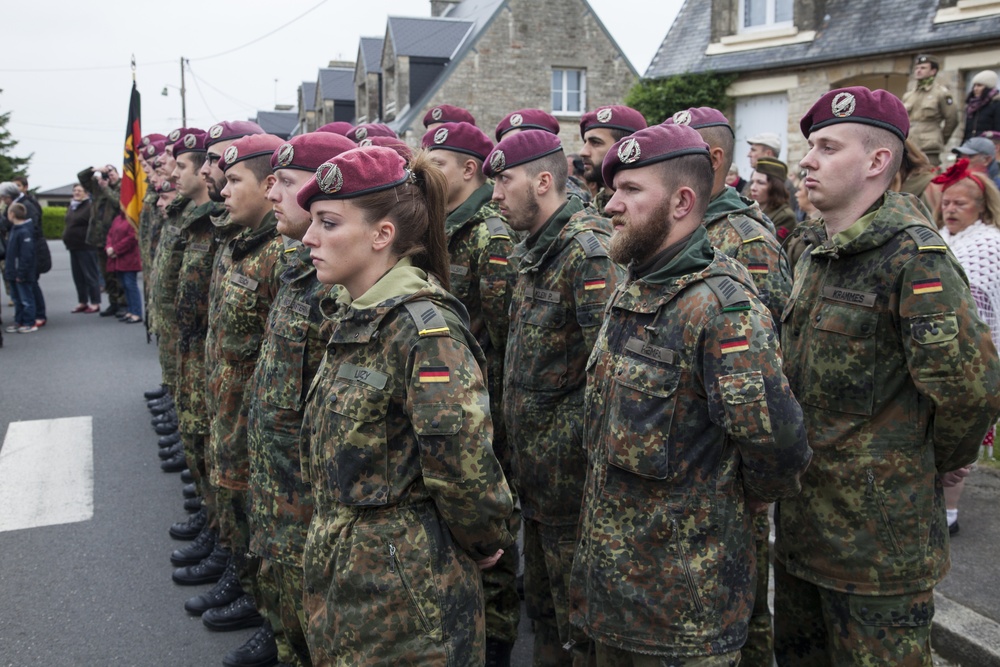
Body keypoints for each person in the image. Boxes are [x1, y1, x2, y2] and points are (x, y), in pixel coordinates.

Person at [569, 120, 810, 667]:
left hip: (682, 614)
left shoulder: (720, 309)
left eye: (631, 191)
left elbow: (779, 449)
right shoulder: (636, 287)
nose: (610, 205)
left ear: (681, 202)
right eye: (612, 190)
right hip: (614, 597)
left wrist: (726, 504)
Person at [774, 85, 1000, 666]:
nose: (808, 159)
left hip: (877, 550)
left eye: (827, 146)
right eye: (810, 146)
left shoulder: (914, 260)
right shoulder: (816, 252)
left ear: (877, 162)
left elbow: (971, 394)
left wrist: (913, 467)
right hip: (804, 534)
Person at [296, 144, 515, 665]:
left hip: (406, 596)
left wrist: (484, 542)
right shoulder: (356, 315)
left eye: (327, 223)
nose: (308, 238)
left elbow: (464, 470)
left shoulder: (423, 331)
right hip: (348, 581)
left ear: (382, 235)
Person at [483, 130, 622, 665]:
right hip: (537, 477)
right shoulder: (535, 248)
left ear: (544, 182)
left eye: (504, 181)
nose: (495, 195)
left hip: (571, 481)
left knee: (579, 623)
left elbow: (607, 373)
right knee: (544, 614)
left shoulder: (586, 253)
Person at [664, 106, 792, 667]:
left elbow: (762, 376)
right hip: (683, 465)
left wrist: (756, 480)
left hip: (733, 467)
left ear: (712, 159)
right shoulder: (673, 227)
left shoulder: (746, 241)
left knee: (746, 616)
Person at [241, 130, 356, 667]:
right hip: (277, 488)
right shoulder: (297, 267)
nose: (272, 194)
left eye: (286, 182)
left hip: (310, 503)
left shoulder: (338, 288)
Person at [422, 121, 521, 665]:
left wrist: (498, 421)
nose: (427, 172)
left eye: (438, 163)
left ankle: (499, 640)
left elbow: (508, 339)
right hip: (455, 404)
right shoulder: (442, 226)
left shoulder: (490, 235)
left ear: (468, 169)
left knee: (495, 539)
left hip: (487, 410)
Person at [203, 132, 286, 664]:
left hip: (264, 421)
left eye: (235, 180)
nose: (224, 190)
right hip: (234, 408)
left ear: (269, 185)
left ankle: (273, 620)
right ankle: (251, 588)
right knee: (242, 510)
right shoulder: (242, 242)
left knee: (270, 527)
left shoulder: (283, 256)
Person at [932, 159, 1000, 532]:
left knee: (964, 429)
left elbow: (979, 302)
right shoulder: (942, 235)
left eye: (961, 203)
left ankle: (950, 513)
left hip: (976, 349)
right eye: (947, 202)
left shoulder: (989, 243)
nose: (951, 209)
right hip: (943, 343)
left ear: (981, 206)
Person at [578, 105, 647, 215]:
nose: (583, 152)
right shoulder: (590, 208)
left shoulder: (643, 211)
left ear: (625, 148)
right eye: (585, 142)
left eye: (595, 142)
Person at [77, 164, 125, 316]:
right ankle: (113, 303)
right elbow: (81, 177)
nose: (109, 176)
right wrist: (94, 169)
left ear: (118, 174)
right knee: (106, 274)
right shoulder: (97, 187)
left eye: (111, 172)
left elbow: (119, 203)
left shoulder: (122, 187)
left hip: (116, 238)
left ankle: (124, 303)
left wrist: (106, 188)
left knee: (119, 273)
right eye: (106, 173)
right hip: (99, 238)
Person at [903, 54, 959, 166]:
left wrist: (939, 139)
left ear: (933, 71)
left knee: (929, 177)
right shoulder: (909, 95)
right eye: (917, 68)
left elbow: (952, 119)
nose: (918, 71)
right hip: (909, 146)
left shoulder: (941, 93)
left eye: (923, 68)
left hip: (928, 148)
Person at [62, 184, 101, 313]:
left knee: (90, 276)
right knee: (78, 277)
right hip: (73, 247)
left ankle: (95, 303)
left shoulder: (89, 207)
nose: (76, 193)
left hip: (86, 247)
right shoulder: (73, 206)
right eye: (75, 190)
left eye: (79, 191)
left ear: (86, 193)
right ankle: (82, 301)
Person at [3, 203, 39, 333]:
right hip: (13, 271)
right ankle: (19, 321)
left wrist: (21, 273)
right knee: (17, 299)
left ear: (12, 214)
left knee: (26, 299)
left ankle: (30, 322)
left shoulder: (24, 232)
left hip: (21, 273)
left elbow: (26, 255)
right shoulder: (15, 229)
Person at [104, 214, 142, 323]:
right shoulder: (118, 218)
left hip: (129, 258)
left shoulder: (132, 218)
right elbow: (110, 234)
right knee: (124, 285)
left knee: (130, 285)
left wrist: (115, 249)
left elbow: (131, 237)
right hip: (117, 258)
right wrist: (109, 247)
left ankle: (136, 312)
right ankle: (130, 311)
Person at [749, 157, 796, 240]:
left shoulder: (785, 216)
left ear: (775, 187)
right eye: (752, 182)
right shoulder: (750, 209)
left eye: (760, 183)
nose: (753, 187)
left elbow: (773, 248)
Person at [962, 70, 1000, 142]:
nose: (975, 89)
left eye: (979, 85)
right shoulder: (971, 106)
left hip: (988, 147)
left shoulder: (996, 104)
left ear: (988, 87)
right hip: (970, 145)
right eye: (974, 86)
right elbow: (967, 131)